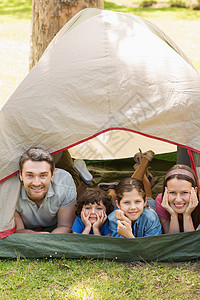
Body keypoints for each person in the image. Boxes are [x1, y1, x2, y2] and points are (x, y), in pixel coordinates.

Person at [14, 147, 77, 234]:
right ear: (21, 175)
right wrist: (38, 236)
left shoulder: (64, 183)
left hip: (55, 225)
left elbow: (65, 226)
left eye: (43, 175)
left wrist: (49, 240)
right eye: (30, 175)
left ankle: (85, 181)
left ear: (52, 175)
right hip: (26, 230)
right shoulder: (10, 189)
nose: (36, 183)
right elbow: (18, 231)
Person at [155, 164, 200, 234]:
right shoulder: (161, 201)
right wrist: (173, 215)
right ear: (166, 191)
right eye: (172, 192)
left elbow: (191, 243)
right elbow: (172, 240)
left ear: (195, 191)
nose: (178, 200)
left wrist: (187, 215)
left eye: (184, 192)